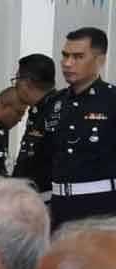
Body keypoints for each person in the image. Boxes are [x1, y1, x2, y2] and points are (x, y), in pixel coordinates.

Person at [47, 28, 116, 226]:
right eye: (65, 56)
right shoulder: (56, 102)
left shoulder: (112, 101)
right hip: (59, 208)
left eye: (78, 57)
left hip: (101, 210)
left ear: (100, 60)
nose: (68, 64)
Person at [12, 53, 60, 202]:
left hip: (48, 203)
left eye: (16, 80)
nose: (15, 85)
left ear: (27, 82)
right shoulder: (38, 111)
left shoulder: (58, 111)